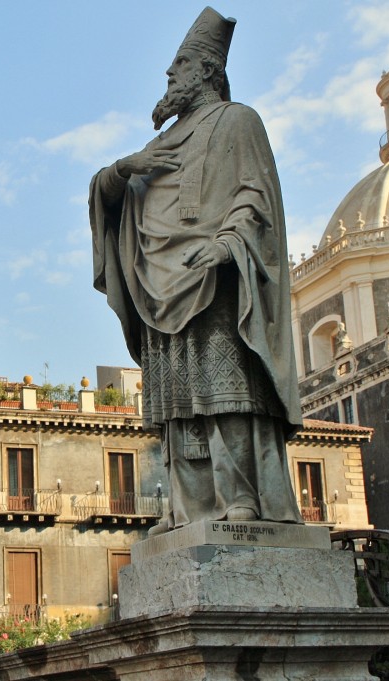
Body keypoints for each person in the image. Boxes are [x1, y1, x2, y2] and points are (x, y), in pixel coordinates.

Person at [90, 6, 302, 532]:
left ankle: (241, 497)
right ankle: (187, 506)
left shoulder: (238, 120)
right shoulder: (159, 144)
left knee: (226, 392)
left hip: (215, 278)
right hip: (157, 284)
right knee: (177, 402)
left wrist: (229, 244)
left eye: (180, 64)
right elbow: (107, 195)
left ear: (207, 71)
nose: (169, 74)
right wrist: (122, 168)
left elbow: (255, 195)